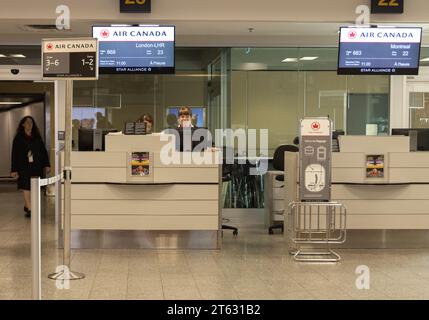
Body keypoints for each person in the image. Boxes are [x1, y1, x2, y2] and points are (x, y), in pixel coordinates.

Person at [10, 116, 50, 218]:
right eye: (27, 122)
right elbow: (14, 154)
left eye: (31, 122)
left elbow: (43, 152)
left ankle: (27, 205)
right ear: (23, 124)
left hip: (36, 165)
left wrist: (46, 164)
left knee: (35, 188)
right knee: (26, 186)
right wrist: (14, 170)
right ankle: (31, 208)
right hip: (23, 166)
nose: (29, 124)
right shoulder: (18, 138)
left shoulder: (37, 137)